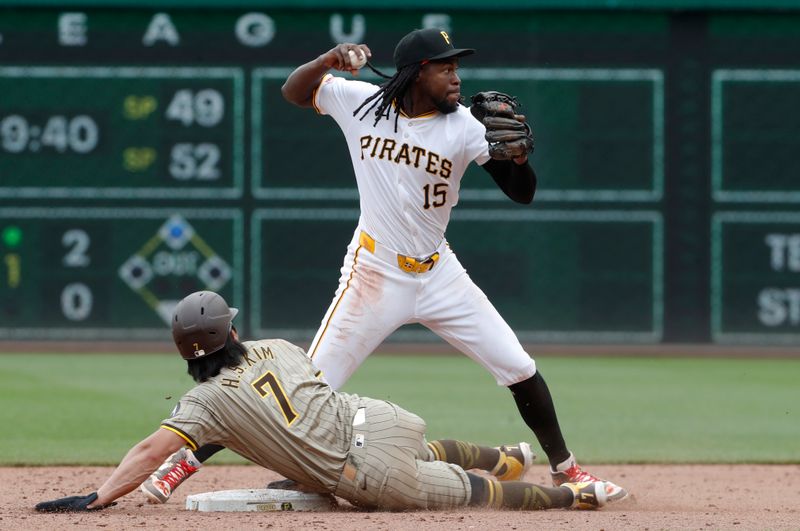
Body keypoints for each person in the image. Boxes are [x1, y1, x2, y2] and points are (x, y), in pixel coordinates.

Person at [143, 27, 627, 503]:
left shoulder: (465, 126)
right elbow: (294, 91)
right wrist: (326, 60)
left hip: (440, 274)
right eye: (445, 67)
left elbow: (523, 193)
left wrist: (518, 161)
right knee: (300, 388)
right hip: (374, 271)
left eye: (457, 66)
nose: (456, 77)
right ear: (417, 72)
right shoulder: (361, 102)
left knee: (519, 366)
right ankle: (178, 466)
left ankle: (568, 470)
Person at [35, 290, 609, 513]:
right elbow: (298, 406)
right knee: (423, 450)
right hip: (383, 417)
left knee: (474, 496)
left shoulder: (203, 406)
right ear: (231, 334)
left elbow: (149, 449)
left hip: (368, 474)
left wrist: (100, 496)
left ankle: (574, 498)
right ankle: (510, 451)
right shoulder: (276, 348)